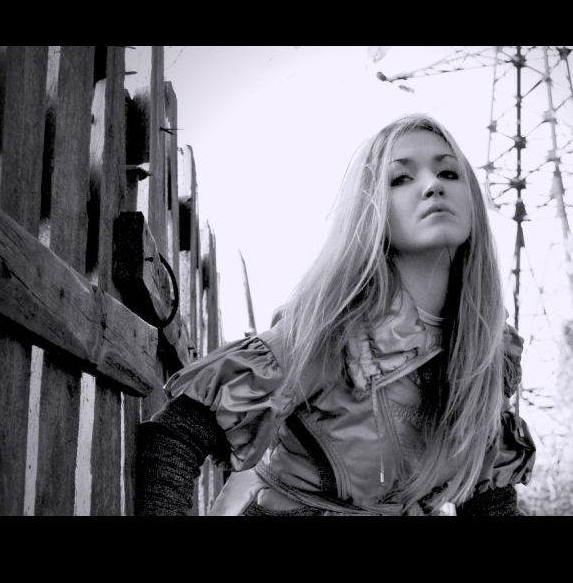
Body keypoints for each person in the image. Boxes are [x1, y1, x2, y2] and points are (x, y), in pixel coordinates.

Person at [135, 113, 536, 516]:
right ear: (372, 210)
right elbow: (175, 434)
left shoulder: (487, 352)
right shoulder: (329, 332)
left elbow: (490, 502)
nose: (433, 185)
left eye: (449, 172)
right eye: (401, 178)